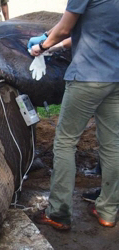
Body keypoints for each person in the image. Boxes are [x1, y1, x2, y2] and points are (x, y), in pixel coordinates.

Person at [29, 0, 119, 230]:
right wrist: (55, 46)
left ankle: (58, 213)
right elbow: (91, 30)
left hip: (88, 76)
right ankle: (108, 210)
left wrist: (42, 46)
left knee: (65, 143)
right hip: (115, 77)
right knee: (112, 145)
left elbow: (66, 27)